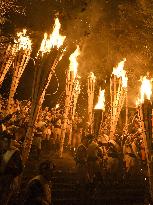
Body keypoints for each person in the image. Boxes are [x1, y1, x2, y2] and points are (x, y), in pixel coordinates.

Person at [0, 131, 23, 205]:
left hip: (8, 179)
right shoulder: (1, 151)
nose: (6, 143)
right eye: (4, 141)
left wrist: (13, 175)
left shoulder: (15, 152)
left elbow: (19, 167)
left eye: (8, 141)